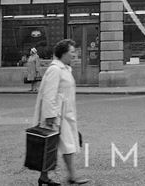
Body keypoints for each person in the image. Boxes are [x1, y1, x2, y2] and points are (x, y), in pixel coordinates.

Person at [33, 39, 88, 186]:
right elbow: (49, 94)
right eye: (72, 52)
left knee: (54, 147)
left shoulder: (64, 69)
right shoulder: (55, 70)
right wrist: (50, 116)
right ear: (63, 53)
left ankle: (45, 178)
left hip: (65, 114)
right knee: (62, 146)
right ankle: (71, 176)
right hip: (57, 116)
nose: (74, 54)